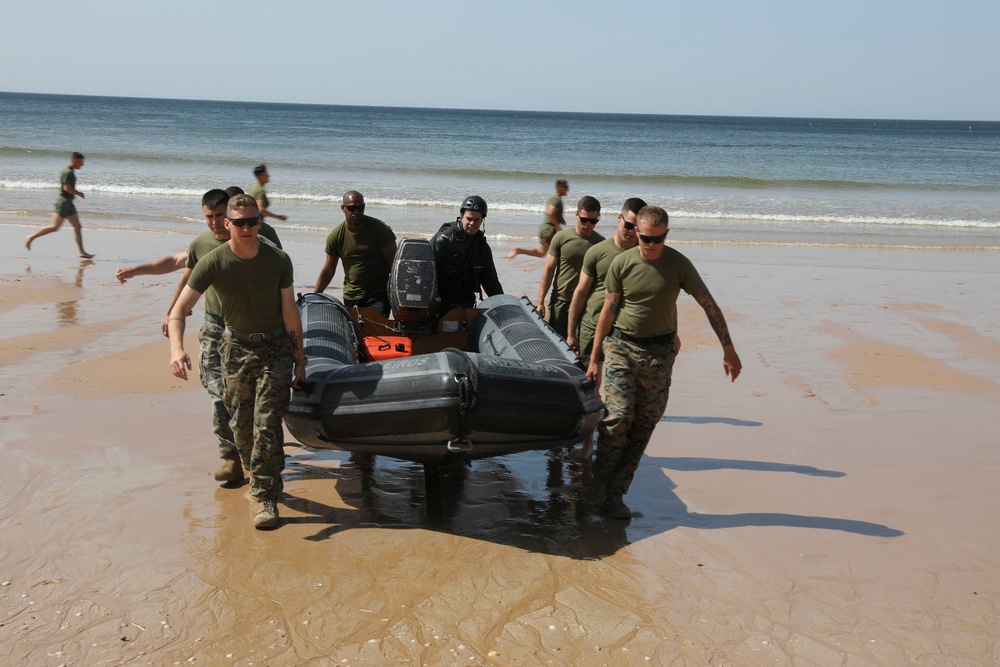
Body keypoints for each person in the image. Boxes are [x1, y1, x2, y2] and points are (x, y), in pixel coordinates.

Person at [584, 205, 742, 520]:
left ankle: (615, 495)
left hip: (659, 355)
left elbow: (708, 305)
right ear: (637, 233)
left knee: (643, 426)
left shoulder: (679, 265)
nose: (650, 245)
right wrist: (595, 357)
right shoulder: (621, 263)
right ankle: (594, 491)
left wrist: (729, 348)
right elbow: (609, 310)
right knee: (618, 419)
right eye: (644, 238)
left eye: (657, 239)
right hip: (621, 347)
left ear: (666, 235)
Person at [168, 194, 305, 530]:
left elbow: (290, 312)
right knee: (241, 428)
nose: (247, 228)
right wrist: (176, 349)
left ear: (260, 222)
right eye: (240, 222)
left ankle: (266, 495)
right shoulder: (212, 262)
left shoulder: (278, 260)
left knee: (267, 422)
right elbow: (178, 312)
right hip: (236, 351)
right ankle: (258, 467)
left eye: (253, 221)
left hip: (275, 349)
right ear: (226, 224)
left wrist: (300, 359)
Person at [313, 191, 397, 316]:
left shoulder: (379, 229)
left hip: (378, 293)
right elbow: (329, 270)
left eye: (360, 208)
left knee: (373, 328)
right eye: (351, 208)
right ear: (343, 208)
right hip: (351, 295)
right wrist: (314, 296)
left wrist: (397, 295)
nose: (356, 212)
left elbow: (394, 263)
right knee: (353, 332)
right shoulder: (336, 236)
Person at [535, 196, 605, 338]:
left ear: (598, 217)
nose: (587, 225)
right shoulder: (561, 238)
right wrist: (540, 301)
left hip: (587, 307)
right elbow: (548, 270)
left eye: (593, 221)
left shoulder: (601, 244)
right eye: (584, 219)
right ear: (576, 214)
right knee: (558, 347)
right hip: (561, 302)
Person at [431, 195, 503, 310]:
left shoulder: (483, 248)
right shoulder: (444, 239)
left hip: (466, 300)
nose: (472, 223)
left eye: (476, 220)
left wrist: (502, 305)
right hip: (439, 298)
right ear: (461, 217)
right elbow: (425, 271)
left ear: (482, 221)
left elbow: (491, 281)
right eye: (469, 219)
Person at [26, 152, 94, 258]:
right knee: (54, 227)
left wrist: (74, 194)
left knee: (77, 226)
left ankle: (81, 252)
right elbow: (67, 188)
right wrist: (78, 193)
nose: (82, 164)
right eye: (81, 162)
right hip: (63, 203)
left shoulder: (69, 171)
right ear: (74, 160)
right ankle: (31, 237)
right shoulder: (67, 172)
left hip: (68, 203)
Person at [507, 179, 569, 259]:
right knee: (543, 252)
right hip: (549, 229)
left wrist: (561, 219)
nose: (567, 189)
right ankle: (518, 250)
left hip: (549, 228)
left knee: (547, 252)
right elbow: (549, 212)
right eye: (565, 187)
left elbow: (550, 212)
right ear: (559, 187)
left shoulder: (555, 198)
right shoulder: (556, 199)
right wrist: (557, 225)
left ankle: (519, 250)